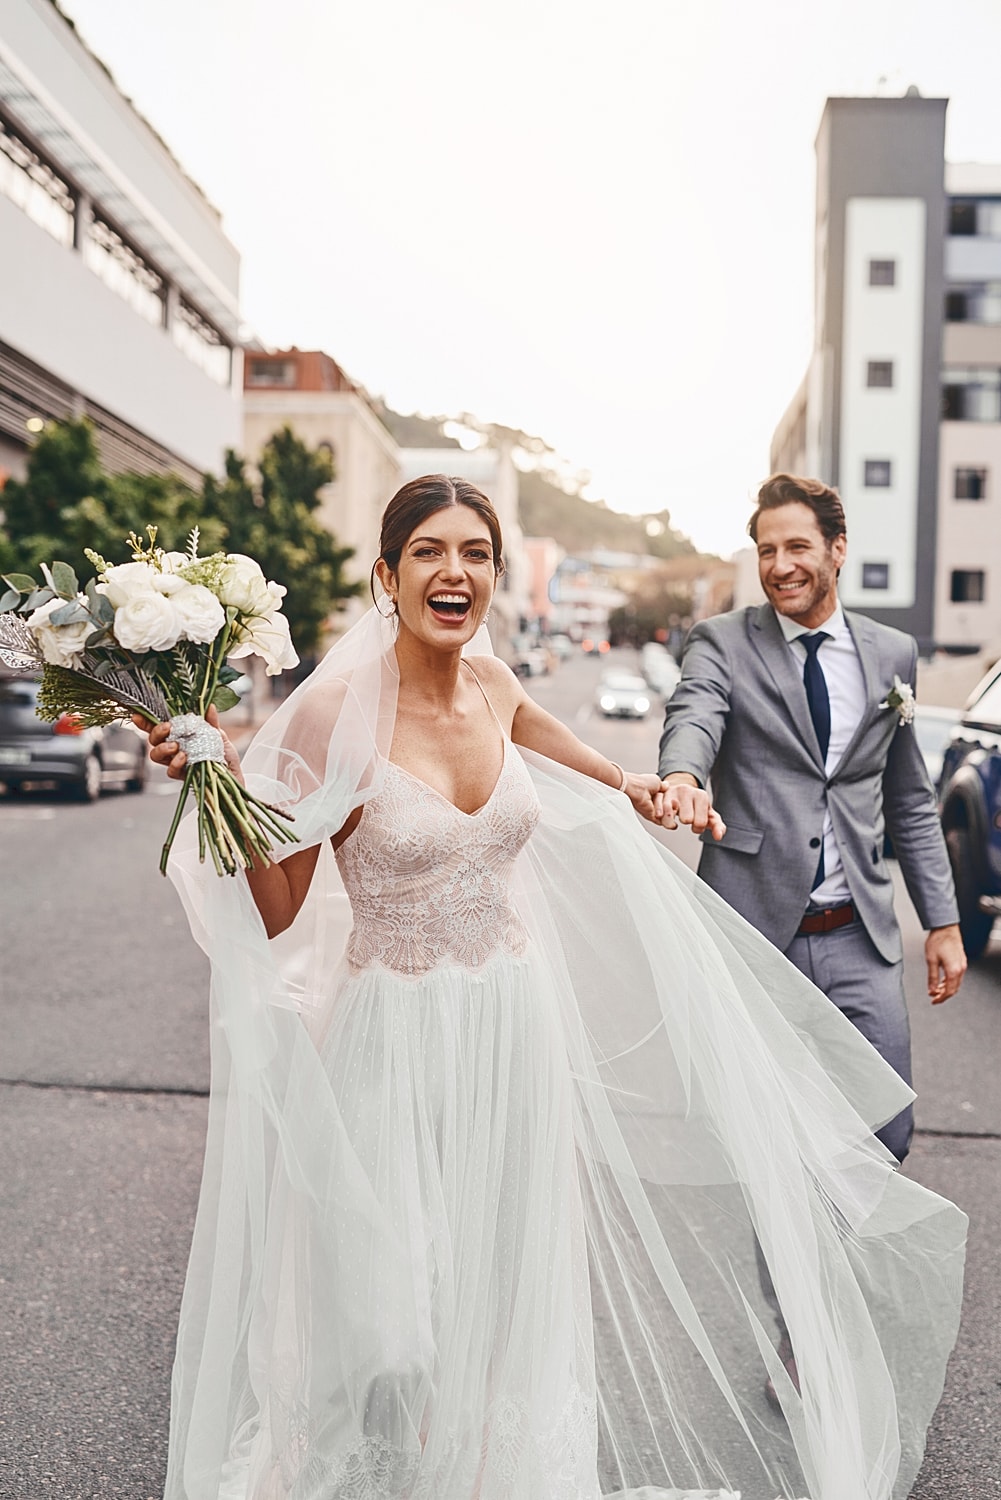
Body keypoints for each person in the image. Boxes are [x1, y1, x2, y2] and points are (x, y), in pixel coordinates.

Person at [145, 475, 964, 1500]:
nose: (456, 572)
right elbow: (276, 910)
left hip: (511, 1028)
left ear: (492, 572)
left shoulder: (493, 686)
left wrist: (649, 788)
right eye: (431, 552)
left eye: (476, 553)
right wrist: (209, 781)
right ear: (386, 575)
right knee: (388, 1326)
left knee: (499, 1298)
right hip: (392, 1039)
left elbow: (578, 761)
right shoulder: (329, 715)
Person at [658, 471, 966, 1398]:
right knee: (778, 1138)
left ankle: (819, 1265)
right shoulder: (723, 642)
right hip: (759, 936)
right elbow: (694, 719)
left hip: (859, 933)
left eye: (796, 546)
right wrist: (682, 777)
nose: (779, 565)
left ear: (836, 548)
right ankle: (802, 1333)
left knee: (886, 1126)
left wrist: (942, 922)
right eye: (764, 550)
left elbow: (907, 797)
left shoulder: (889, 655)